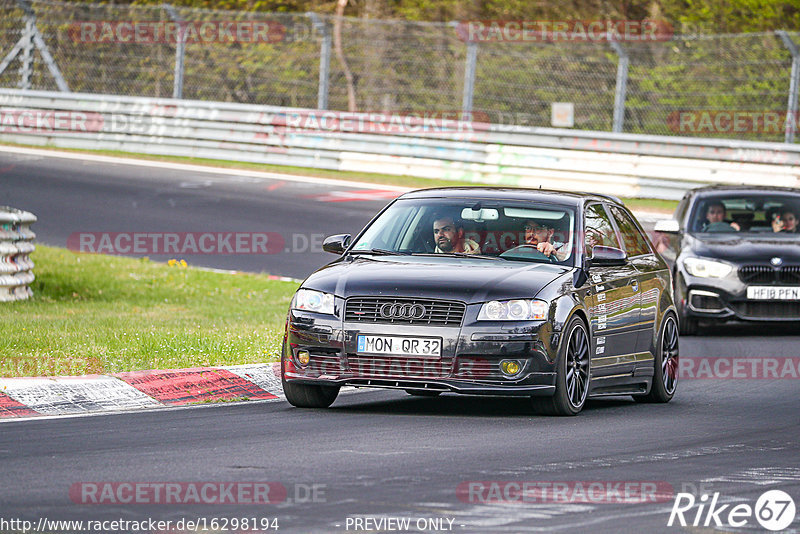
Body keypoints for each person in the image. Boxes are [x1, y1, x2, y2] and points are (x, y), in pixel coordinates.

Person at [502, 219, 566, 261]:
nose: (531, 233)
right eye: (528, 228)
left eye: (538, 228)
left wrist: (555, 254)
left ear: (550, 232)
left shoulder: (564, 248)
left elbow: (566, 259)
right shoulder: (516, 250)